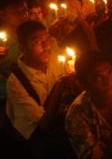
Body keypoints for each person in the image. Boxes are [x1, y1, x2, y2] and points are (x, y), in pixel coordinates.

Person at [5, 21, 70, 158]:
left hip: (62, 117)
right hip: (37, 134)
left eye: (47, 40)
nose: (46, 46)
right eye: (37, 42)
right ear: (22, 48)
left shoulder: (54, 59)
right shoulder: (16, 82)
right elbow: (44, 125)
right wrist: (60, 86)